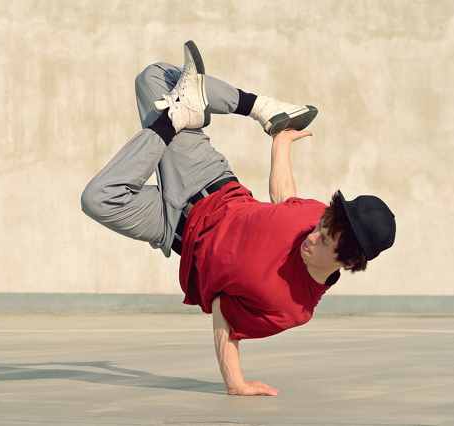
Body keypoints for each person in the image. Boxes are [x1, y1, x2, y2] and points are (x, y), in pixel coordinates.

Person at [80, 41, 396, 396]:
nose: (313, 235)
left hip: (175, 229)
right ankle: (259, 107)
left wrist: (234, 382)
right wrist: (281, 143)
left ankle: (175, 120)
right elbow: (284, 198)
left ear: (349, 261)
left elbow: (224, 314)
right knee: (155, 77)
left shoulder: (290, 307)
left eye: (326, 240)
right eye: (322, 226)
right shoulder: (313, 218)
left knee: (98, 199)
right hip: (208, 179)